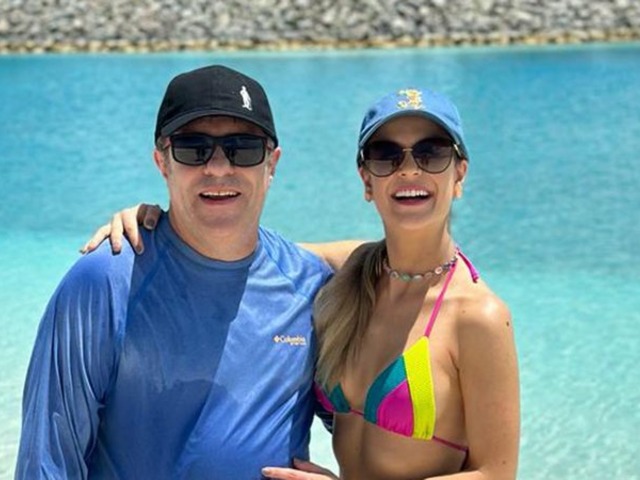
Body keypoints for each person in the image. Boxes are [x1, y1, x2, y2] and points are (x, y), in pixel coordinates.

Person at [84, 88, 520, 479]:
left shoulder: (478, 316)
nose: (409, 170)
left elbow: (496, 473)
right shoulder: (352, 271)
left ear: (459, 174)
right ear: (367, 180)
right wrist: (157, 225)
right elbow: (235, 251)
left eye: (432, 153)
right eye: (386, 154)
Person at [15, 64, 359, 479]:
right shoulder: (105, 280)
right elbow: (47, 462)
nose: (218, 167)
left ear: (272, 163)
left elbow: (376, 441)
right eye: (193, 148)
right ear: (162, 162)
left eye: (243, 149)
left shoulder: (312, 288)